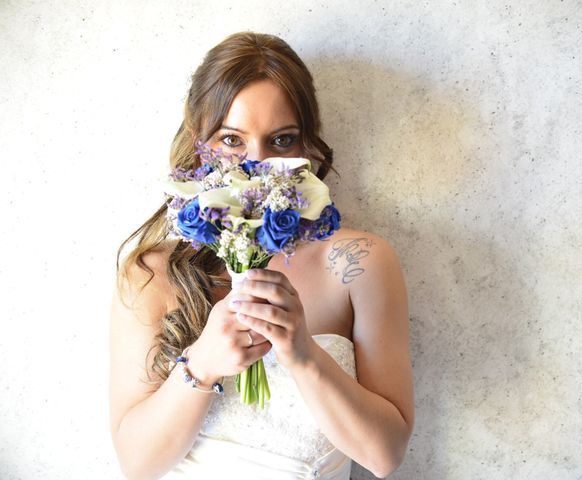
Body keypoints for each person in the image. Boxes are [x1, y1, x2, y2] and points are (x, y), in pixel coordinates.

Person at [109, 31, 414, 479]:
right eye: (232, 140)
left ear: (308, 146)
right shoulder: (151, 273)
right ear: (200, 142)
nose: (256, 163)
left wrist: (303, 355)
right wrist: (202, 364)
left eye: (282, 140)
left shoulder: (360, 264)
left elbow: (385, 457)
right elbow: (136, 465)